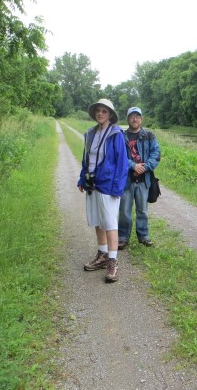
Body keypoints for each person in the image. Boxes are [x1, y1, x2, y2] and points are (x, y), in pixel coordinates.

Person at [78, 98, 128, 283]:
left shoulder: (116, 135)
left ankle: (113, 261)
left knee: (110, 223)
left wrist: (117, 188)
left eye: (104, 111)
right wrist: (82, 178)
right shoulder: (90, 133)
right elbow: (87, 159)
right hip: (93, 183)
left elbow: (122, 164)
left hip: (108, 185)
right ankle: (102, 254)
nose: (100, 113)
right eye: (98, 110)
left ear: (110, 115)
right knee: (98, 221)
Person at [117, 106, 161, 249]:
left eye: (137, 116)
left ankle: (143, 236)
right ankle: (123, 237)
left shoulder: (149, 136)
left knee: (143, 210)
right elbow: (119, 156)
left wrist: (144, 167)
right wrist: (133, 166)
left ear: (141, 119)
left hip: (144, 180)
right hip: (126, 180)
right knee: (124, 211)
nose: (134, 119)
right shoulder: (121, 137)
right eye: (132, 116)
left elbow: (156, 154)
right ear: (128, 119)